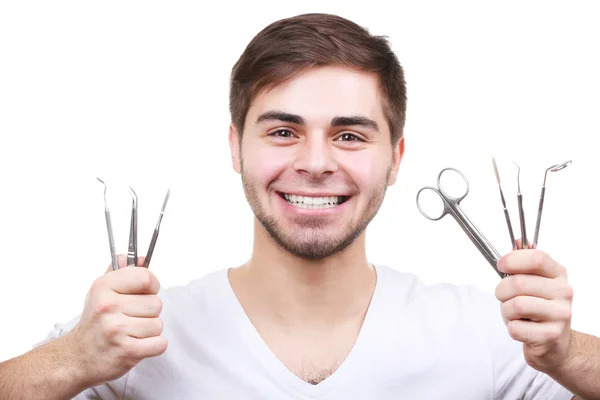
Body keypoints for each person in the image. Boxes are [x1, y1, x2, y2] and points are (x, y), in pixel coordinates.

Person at [0, 12, 598, 400]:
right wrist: (73, 360)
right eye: (283, 132)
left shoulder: (489, 334)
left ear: (397, 158)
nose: (315, 162)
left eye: (350, 135)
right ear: (235, 147)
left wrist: (567, 354)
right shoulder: (133, 337)